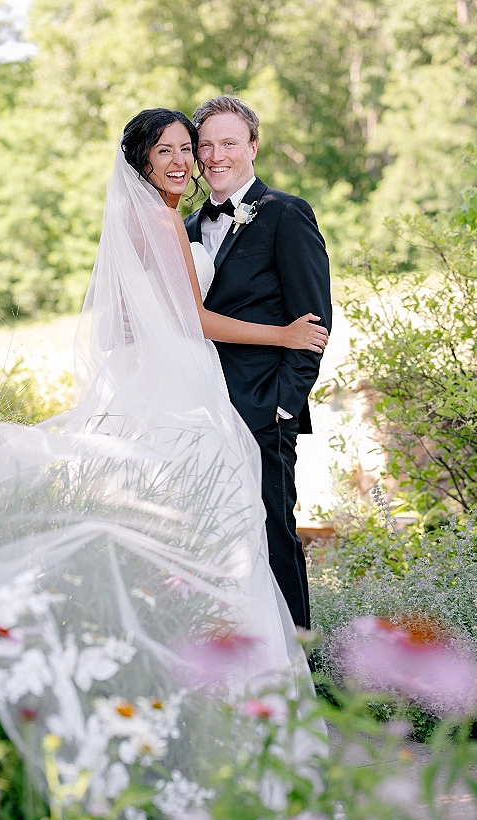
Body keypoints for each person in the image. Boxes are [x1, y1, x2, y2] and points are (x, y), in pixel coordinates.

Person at [0, 108, 326, 820]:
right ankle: (251, 711)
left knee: (240, 541)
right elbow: (192, 318)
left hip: (210, 396)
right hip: (191, 394)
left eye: (199, 147)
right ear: (144, 161)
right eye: (175, 150)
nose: (190, 159)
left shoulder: (251, 216)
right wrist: (272, 334)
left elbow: (150, 321)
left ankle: (216, 696)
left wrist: (281, 396)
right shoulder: (164, 222)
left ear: (249, 147)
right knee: (225, 546)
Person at [185, 96, 332, 632]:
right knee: (216, 540)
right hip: (201, 409)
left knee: (273, 536)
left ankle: (304, 670)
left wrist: (283, 408)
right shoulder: (185, 224)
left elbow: (313, 324)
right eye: (207, 145)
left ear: (252, 147)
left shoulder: (286, 214)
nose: (216, 155)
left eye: (229, 143)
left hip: (264, 411)